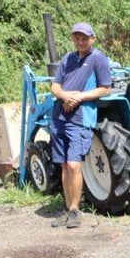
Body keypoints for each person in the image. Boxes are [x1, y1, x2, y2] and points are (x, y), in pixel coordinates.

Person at [49, 22, 112, 228]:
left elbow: (105, 89)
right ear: (73, 39)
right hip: (59, 117)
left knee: (75, 164)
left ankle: (76, 209)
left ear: (92, 39)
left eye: (85, 38)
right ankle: (68, 209)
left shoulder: (97, 59)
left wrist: (79, 98)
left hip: (80, 118)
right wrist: (65, 96)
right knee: (64, 165)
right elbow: (54, 86)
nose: (81, 41)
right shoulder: (68, 58)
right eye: (77, 37)